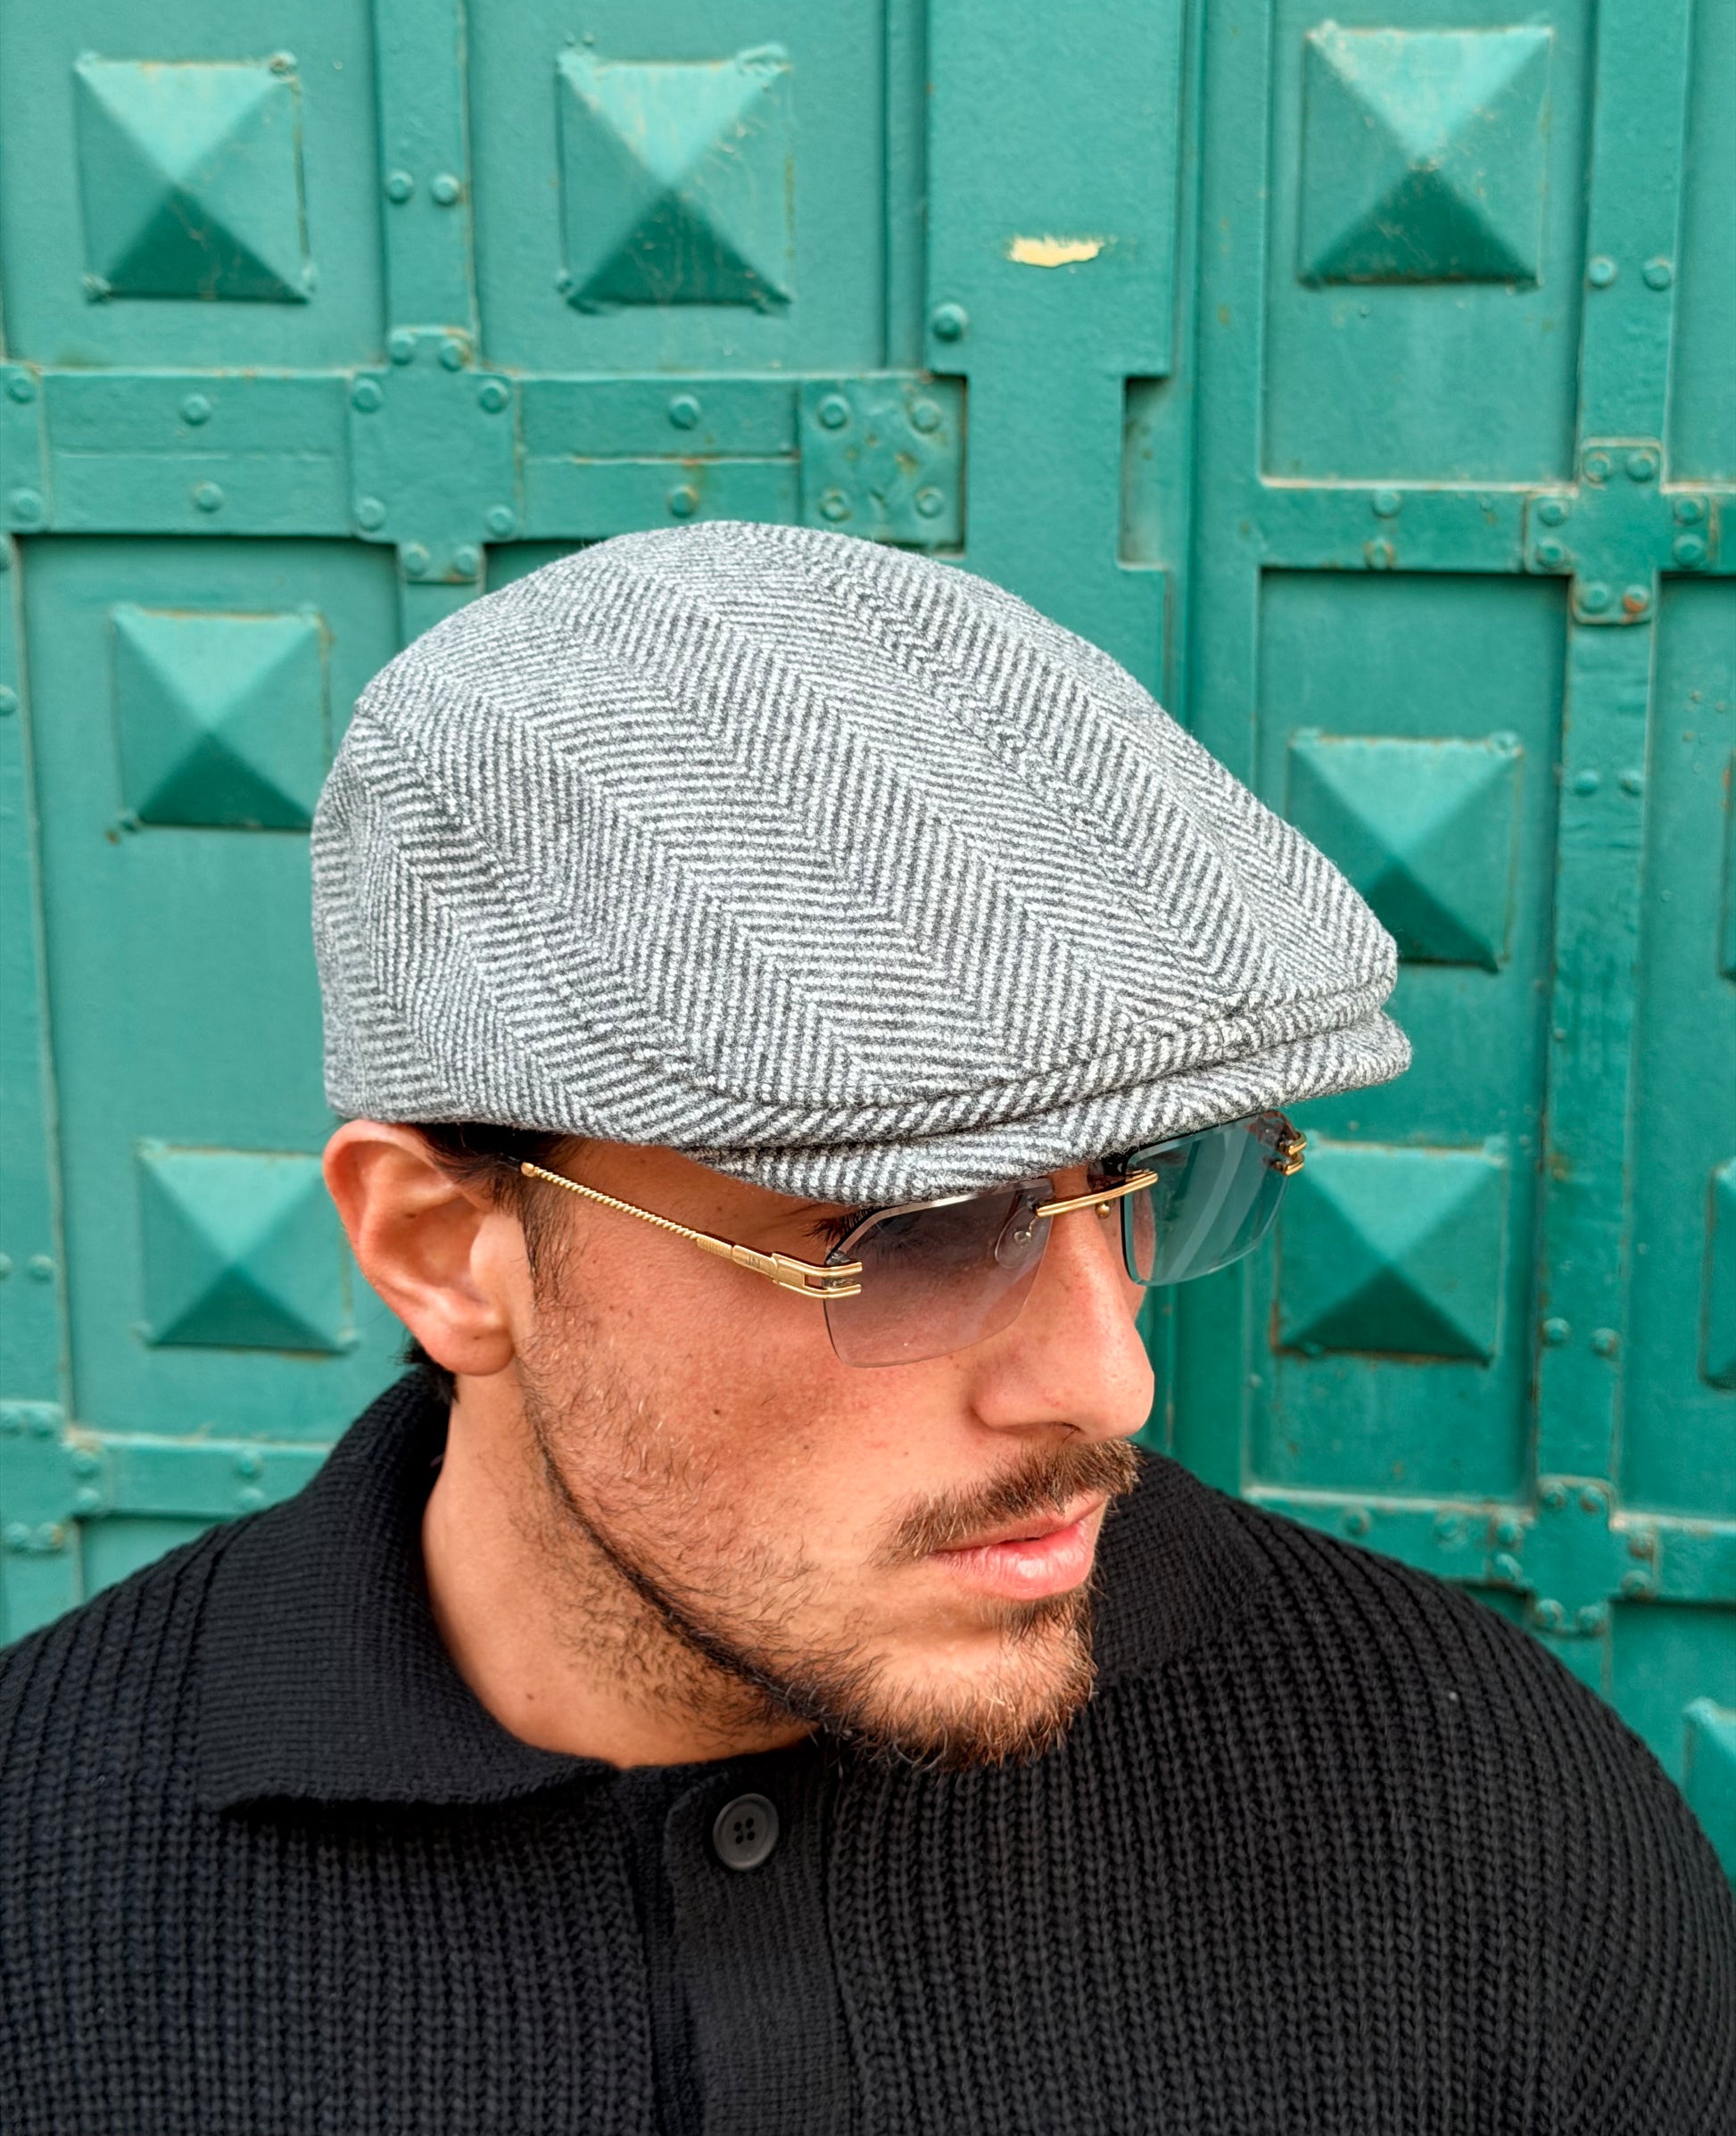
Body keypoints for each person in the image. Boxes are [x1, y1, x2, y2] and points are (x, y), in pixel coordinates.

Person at [2, 524, 1730, 2135]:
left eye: (1151, 1180)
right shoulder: (42, 1881)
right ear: (447, 1248)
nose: (1109, 1380)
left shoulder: (1464, 1792)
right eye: (914, 1233)